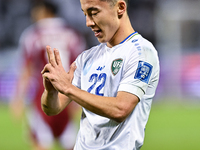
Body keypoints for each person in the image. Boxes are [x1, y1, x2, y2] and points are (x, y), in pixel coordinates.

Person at [41, 0, 160, 149]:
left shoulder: (141, 51)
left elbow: (121, 109)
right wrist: (50, 91)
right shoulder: (87, 58)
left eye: (94, 13)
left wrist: (69, 89)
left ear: (120, 8)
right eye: (85, 14)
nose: (88, 23)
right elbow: (52, 109)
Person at [10, 1, 85, 150]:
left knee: (40, 144)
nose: (33, 14)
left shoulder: (34, 34)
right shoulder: (73, 34)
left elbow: (27, 69)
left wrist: (18, 98)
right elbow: (81, 67)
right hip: (68, 99)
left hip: (43, 99)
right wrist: (79, 99)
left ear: (44, 11)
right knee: (71, 144)